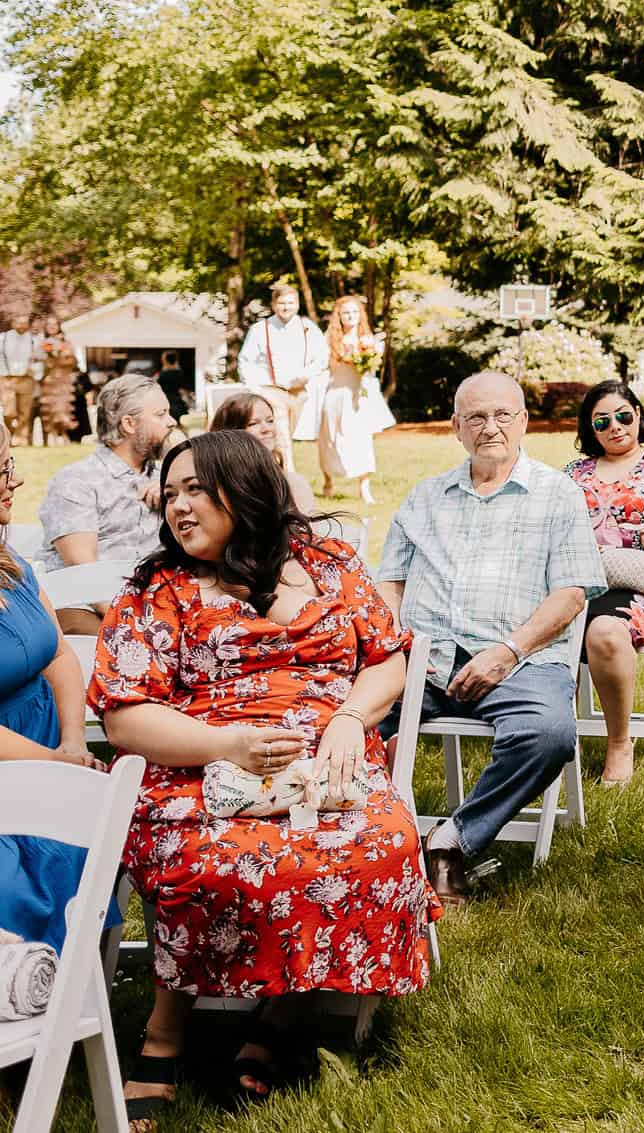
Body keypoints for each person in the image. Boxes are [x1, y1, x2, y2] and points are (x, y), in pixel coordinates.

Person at [87, 430, 438, 1127]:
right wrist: (231, 744)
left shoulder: (330, 564)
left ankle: (282, 1014)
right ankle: (165, 1033)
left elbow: (388, 657)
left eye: (195, 488)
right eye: (171, 489)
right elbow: (125, 717)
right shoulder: (160, 587)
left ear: (243, 488)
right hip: (201, 762)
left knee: (377, 843)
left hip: (327, 762)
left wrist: (348, 717)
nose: (176, 504)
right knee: (212, 861)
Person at [376, 371, 605, 908]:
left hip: (520, 658)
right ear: (456, 428)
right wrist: (389, 646)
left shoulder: (557, 494)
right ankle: (370, 843)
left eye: (503, 415)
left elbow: (572, 594)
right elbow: (389, 582)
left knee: (547, 734)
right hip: (421, 658)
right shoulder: (426, 496)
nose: (490, 427)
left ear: (524, 422)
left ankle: (453, 838)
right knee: (337, 717)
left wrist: (506, 653)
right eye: (476, 417)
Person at [0, 419, 114, 957]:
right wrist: (49, 762)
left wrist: (73, 743)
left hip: (50, 743)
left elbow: (60, 652)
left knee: (91, 842)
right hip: (13, 762)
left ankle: (64, 995)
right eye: (2, 469)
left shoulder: (12, 564)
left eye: (11, 465)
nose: (14, 481)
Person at [565, 379, 644, 786]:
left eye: (624, 415)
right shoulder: (572, 473)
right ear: (590, 429)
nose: (615, 426)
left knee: (605, 632)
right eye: (602, 421)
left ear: (638, 416)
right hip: (578, 584)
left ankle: (619, 742)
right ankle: (543, 738)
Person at [38, 374, 175, 633]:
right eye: (161, 414)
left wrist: (173, 489)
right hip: (85, 604)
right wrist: (133, 625)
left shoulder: (166, 477)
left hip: (151, 601)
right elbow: (84, 571)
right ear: (129, 424)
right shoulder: (77, 480)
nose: (171, 421)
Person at [237, 281, 329, 474]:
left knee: (287, 434)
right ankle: (289, 472)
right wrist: (255, 388)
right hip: (270, 389)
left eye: (290, 303)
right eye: (282, 303)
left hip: (299, 391)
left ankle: (273, 468)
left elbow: (322, 358)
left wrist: (306, 375)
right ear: (273, 305)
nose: (286, 307)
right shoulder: (261, 329)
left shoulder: (308, 328)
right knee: (281, 430)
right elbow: (246, 361)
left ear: (297, 304)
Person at [319, 295, 396, 504]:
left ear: (359, 315)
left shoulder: (367, 339)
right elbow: (323, 365)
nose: (350, 316)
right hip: (335, 393)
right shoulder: (330, 339)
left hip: (358, 394)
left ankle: (364, 487)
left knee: (361, 439)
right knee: (331, 438)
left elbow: (371, 369)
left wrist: (362, 360)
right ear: (339, 316)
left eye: (354, 312)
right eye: (346, 313)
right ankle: (328, 480)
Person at [210, 389, 318, 513]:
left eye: (270, 421)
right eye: (253, 423)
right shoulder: (217, 483)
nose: (267, 429)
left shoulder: (292, 484)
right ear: (231, 431)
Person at [35, 317, 80, 446]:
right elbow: (36, 359)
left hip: (63, 382)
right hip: (48, 381)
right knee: (50, 409)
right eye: (49, 324)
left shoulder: (66, 343)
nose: (52, 327)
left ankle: (64, 435)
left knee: (63, 409)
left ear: (59, 326)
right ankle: (52, 436)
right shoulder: (42, 343)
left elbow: (73, 362)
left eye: (54, 324)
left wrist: (59, 356)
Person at [1, 315, 40, 447]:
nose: (22, 326)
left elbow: (40, 358)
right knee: (8, 412)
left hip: (26, 379)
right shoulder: (3, 338)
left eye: (25, 323)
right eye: (19, 323)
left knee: (25, 412)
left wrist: (34, 371)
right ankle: (10, 435)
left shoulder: (34, 340)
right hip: (7, 379)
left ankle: (20, 440)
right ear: (13, 322)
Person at [155, 349, 191, 422]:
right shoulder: (180, 373)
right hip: (179, 405)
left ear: (165, 361)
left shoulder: (163, 375)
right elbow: (185, 389)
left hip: (168, 405)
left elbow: (156, 389)